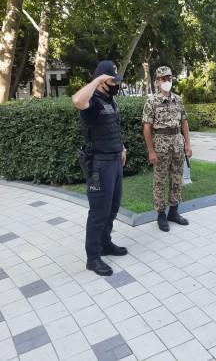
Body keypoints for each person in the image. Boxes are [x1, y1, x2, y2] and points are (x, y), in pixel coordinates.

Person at [72, 60, 128, 276]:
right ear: (103, 80)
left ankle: (105, 243)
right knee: (99, 212)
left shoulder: (110, 101)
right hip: (99, 165)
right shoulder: (92, 102)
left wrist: (121, 147)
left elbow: (112, 128)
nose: (116, 84)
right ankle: (93, 258)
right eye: (112, 80)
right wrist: (96, 80)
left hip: (114, 161)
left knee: (113, 208)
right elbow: (76, 100)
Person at [143, 66, 192, 232]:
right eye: (163, 78)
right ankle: (161, 215)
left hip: (177, 143)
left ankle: (174, 211)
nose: (167, 81)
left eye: (169, 78)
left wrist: (187, 144)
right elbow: (147, 128)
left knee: (177, 178)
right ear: (157, 82)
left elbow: (184, 122)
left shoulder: (178, 99)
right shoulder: (152, 101)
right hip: (160, 144)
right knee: (160, 181)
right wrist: (151, 151)